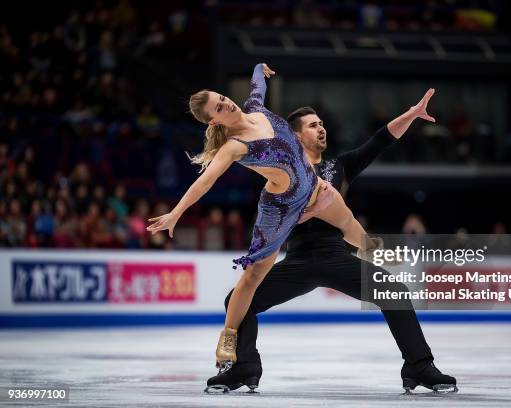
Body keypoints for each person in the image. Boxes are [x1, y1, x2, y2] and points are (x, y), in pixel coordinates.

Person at [205, 91, 458, 394]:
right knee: (236, 299)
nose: (321, 128)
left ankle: (419, 366)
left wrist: (411, 114)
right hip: (297, 260)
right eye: (312, 125)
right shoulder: (280, 169)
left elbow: (380, 140)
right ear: (295, 136)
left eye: (321, 123)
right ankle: (245, 366)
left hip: (335, 256)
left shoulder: (340, 168)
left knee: (395, 292)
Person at [146, 63, 376, 371]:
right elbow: (206, 181)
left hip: (312, 187)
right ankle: (228, 335)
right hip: (279, 209)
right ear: (214, 120)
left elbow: (258, 87)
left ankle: (373, 252)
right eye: (219, 106)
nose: (227, 102)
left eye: (223, 97)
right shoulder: (234, 146)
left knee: (346, 220)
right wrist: (176, 212)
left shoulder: (256, 109)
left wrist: (257, 69)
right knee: (254, 275)